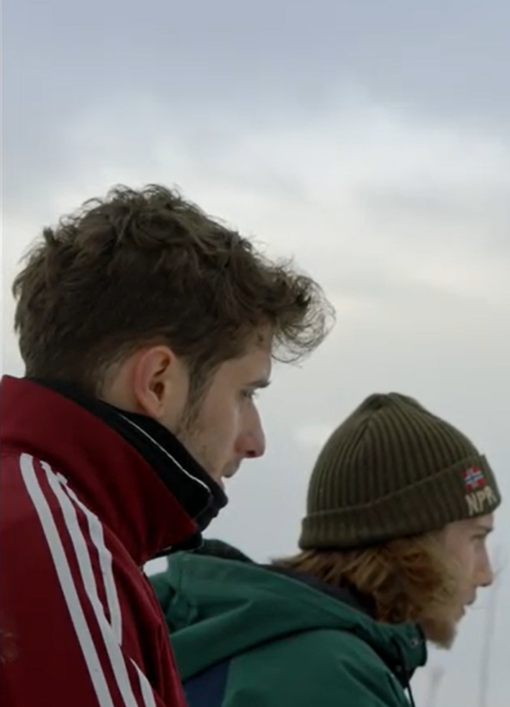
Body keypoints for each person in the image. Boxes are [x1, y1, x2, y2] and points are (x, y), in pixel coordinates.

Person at [0, 184, 333, 707]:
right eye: (245, 393)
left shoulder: (56, 522)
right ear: (158, 382)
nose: (255, 441)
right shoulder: (46, 538)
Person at [149, 392, 501, 707]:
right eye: (477, 538)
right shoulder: (327, 677)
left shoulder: (248, 637)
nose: (485, 574)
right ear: (414, 542)